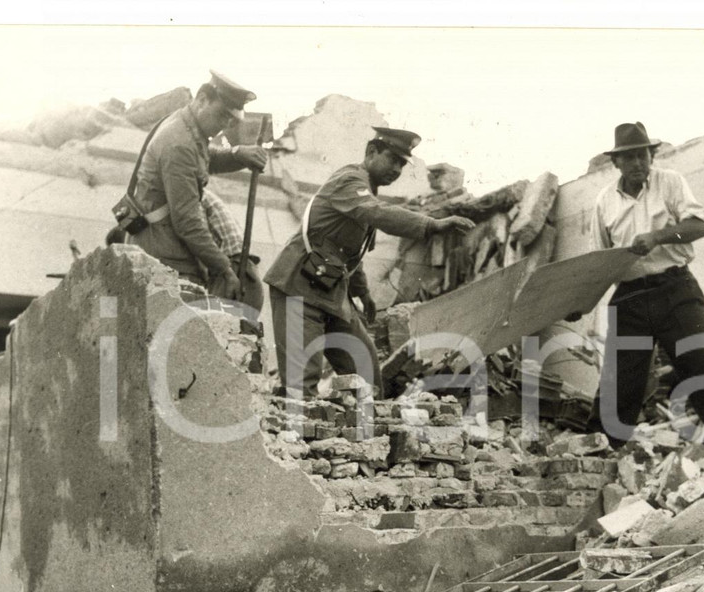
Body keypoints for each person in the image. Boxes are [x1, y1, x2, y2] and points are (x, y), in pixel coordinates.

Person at [263, 127, 475, 398]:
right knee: (300, 388)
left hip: (330, 290)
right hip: (298, 287)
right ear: (371, 152)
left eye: (402, 164)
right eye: (392, 159)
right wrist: (432, 224)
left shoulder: (365, 191)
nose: (396, 169)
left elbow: (350, 254)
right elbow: (376, 212)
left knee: (365, 369)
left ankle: (365, 425)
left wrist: (363, 293)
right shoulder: (350, 180)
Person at [583, 122, 704, 450]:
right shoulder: (604, 201)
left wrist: (657, 237)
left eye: (642, 155)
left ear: (652, 155)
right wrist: (583, 303)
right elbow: (599, 261)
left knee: (701, 362)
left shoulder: (670, 182)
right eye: (629, 157)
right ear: (616, 162)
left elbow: (699, 226)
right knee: (621, 378)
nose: (637, 163)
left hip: (675, 288)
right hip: (630, 296)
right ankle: (599, 450)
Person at [129, 70, 268, 307]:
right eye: (222, 116)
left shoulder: (187, 126)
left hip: (164, 248)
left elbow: (203, 158)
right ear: (203, 99)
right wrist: (226, 270)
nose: (224, 125)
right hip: (165, 259)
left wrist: (237, 155)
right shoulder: (179, 142)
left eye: (231, 121)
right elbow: (187, 222)